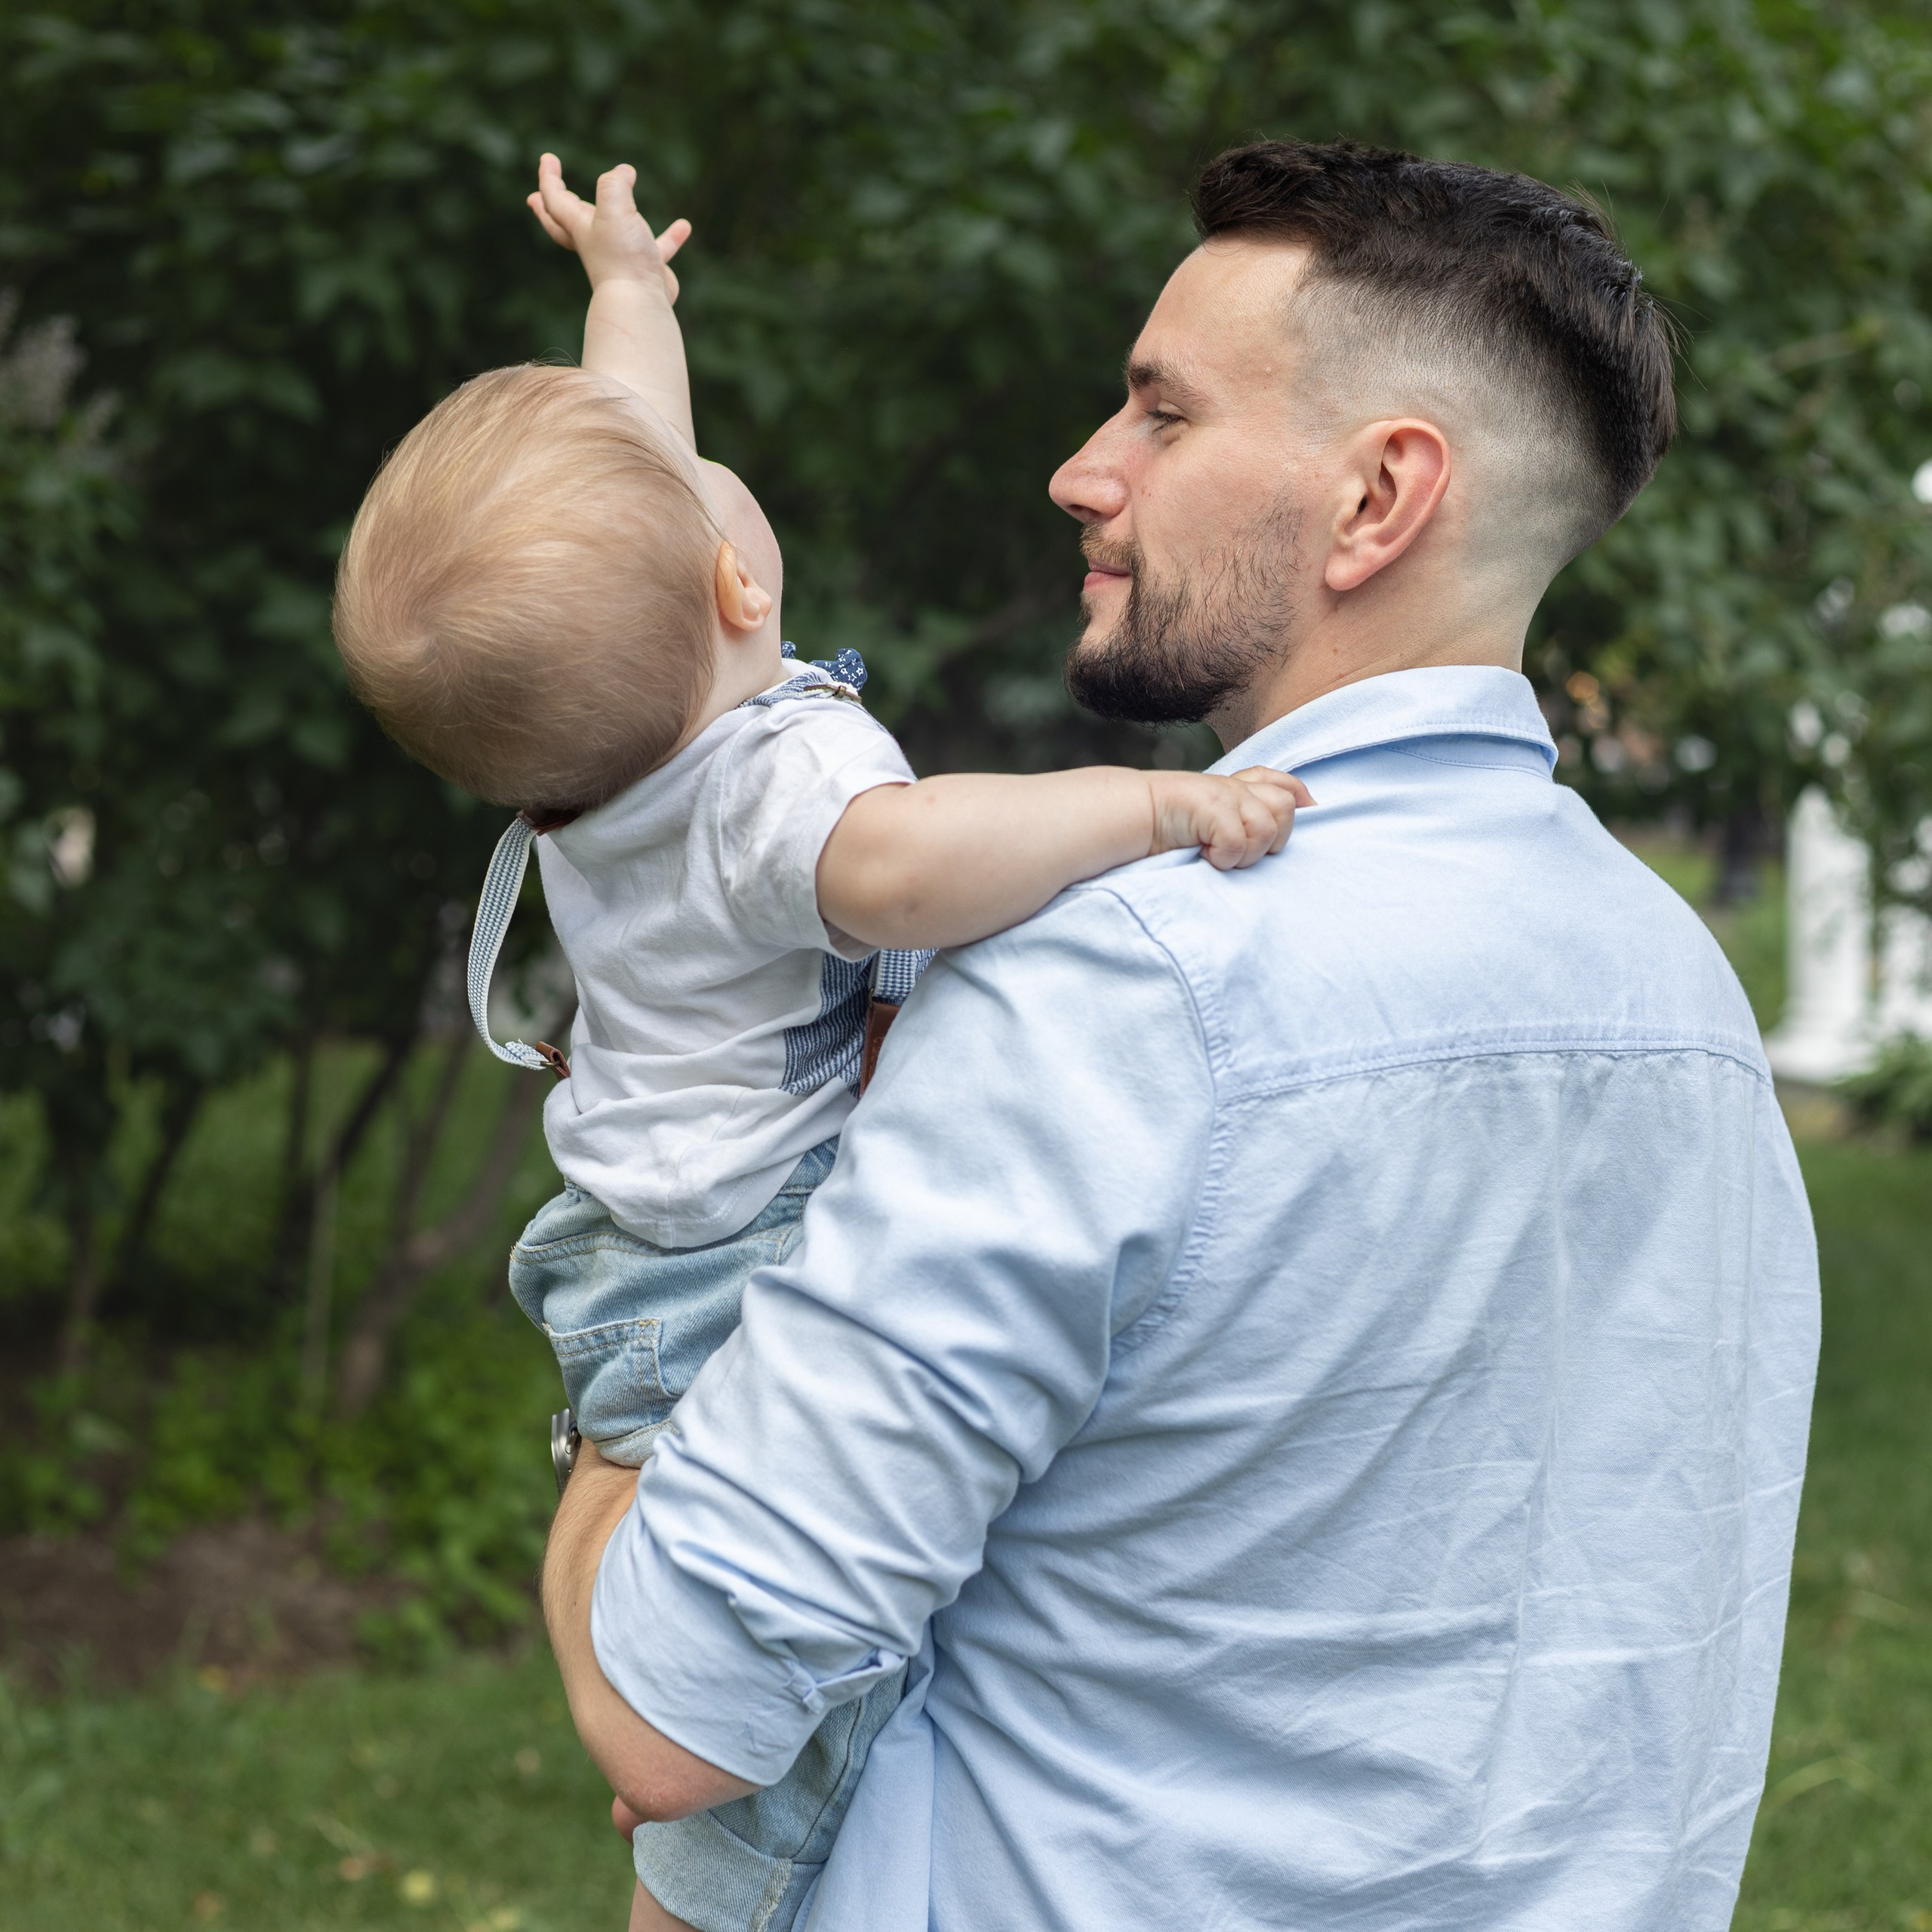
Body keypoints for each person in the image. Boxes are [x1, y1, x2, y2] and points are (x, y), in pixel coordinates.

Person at [546, 139, 1820, 1932]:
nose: (1083, 470)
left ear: (1378, 500)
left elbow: (669, 1712)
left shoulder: (1119, 984)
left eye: (1159, 413)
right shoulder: (1686, 995)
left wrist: (620, 1400)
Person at [330, 155, 1306, 1932]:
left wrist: (631, 293)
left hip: (621, 1241)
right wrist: (1156, 804)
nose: (694, 449)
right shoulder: (779, 792)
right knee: (792, 1697)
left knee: (686, 1572)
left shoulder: (599, 761)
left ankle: (631, 1576)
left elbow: (638, 458)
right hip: (728, 1267)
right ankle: (706, 1898)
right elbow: (917, 867)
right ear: (736, 581)